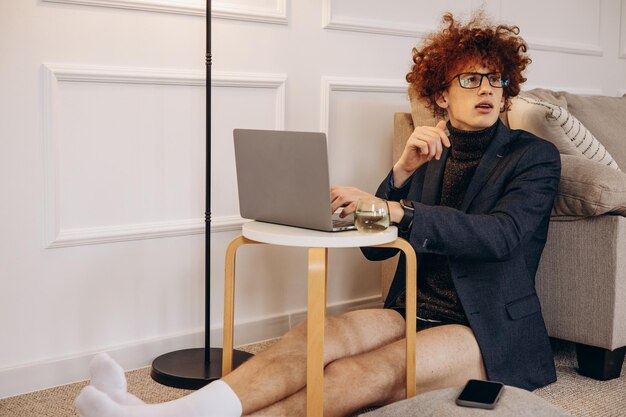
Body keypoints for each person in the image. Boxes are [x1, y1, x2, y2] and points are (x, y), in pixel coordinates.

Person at [75, 11, 560, 417]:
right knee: (317, 336)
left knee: (357, 374)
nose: (488, 90)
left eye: (495, 79)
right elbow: (375, 248)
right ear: (439, 95)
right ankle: (161, 414)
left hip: (485, 329)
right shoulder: (429, 152)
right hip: (409, 311)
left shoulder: (533, 156)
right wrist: (401, 171)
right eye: (471, 79)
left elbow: (502, 236)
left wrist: (397, 205)